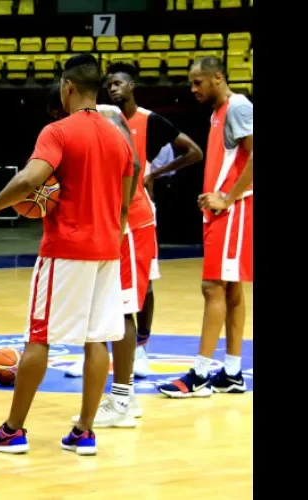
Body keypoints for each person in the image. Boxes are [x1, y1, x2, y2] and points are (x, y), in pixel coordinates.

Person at [0, 55, 137, 456]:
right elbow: (127, 195)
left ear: (67, 87)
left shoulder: (58, 131)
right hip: (107, 250)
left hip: (66, 249)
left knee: (39, 337)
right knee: (97, 340)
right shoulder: (118, 136)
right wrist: (112, 232)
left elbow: (30, 178)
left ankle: (13, 430)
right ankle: (84, 430)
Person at [45, 83, 149, 427]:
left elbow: (133, 161)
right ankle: (120, 395)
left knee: (123, 310)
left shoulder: (104, 116)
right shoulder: (85, 122)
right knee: (108, 314)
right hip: (110, 225)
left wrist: (121, 213)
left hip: (122, 226)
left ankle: (122, 398)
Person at [158, 57, 253, 397]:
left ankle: (198, 375)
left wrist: (227, 198)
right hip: (225, 213)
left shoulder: (238, 107)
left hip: (234, 213)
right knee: (231, 291)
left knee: (212, 288)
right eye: (191, 83)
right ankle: (231, 372)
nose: (193, 89)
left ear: (217, 77)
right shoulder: (218, 113)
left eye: (198, 82)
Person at [104, 62, 204, 379]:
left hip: (138, 212)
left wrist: (154, 174)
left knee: (143, 284)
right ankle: (105, 350)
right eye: (109, 84)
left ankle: (141, 348)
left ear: (133, 85)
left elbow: (194, 152)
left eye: (119, 83)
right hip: (107, 210)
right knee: (106, 281)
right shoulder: (104, 120)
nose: (113, 88)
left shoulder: (150, 121)